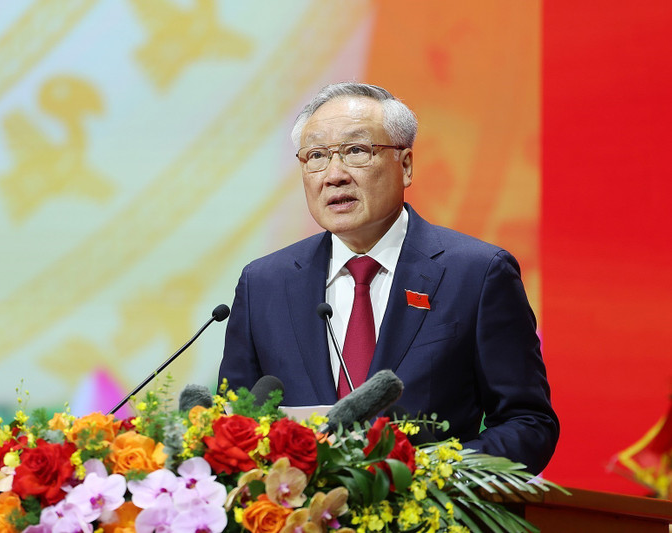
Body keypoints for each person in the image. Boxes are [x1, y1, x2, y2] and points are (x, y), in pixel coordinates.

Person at [218, 82, 558, 474]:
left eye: (356, 151)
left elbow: (529, 423)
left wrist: (432, 476)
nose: (334, 175)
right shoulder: (264, 283)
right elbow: (235, 423)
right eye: (315, 157)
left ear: (407, 165)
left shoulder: (477, 273)